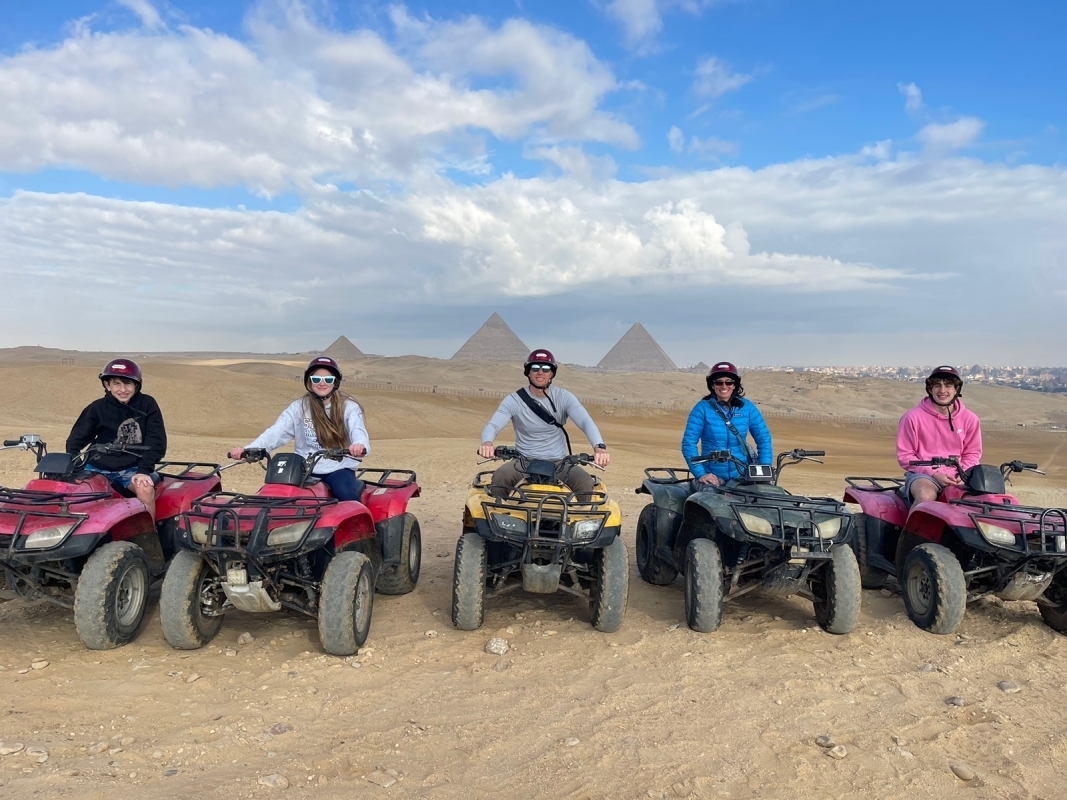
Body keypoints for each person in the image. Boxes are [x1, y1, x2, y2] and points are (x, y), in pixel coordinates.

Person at [230, 356, 370, 501]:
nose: (322, 383)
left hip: (338, 469)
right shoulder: (299, 407)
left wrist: (359, 445)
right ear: (309, 381)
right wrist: (249, 449)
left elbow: (357, 430)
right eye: (316, 379)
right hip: (304, 469)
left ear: (335, 382)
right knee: (276, 495)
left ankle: (363, 523)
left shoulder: (349, 407)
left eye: (328, 380)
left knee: (345, 494)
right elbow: (276, 432)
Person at [478, 349, 609, 496]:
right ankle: (500, 516)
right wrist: (487, 443)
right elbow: (493, 425)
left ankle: (583, 519)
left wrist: (599, 448)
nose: (540, 372)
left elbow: (585, 421)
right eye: (535, 368)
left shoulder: (564, 397)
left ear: (552, 373)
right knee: (500, 478)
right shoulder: (514, 400)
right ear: (528, 371)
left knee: (585, 482)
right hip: (523, 461)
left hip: (559, 463)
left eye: (546, 368)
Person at [66, 358, 167, 519]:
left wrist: (143, 470)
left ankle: (149, 536)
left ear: (136, 385)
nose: (122, 389)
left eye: (128, 383)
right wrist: (73, 460)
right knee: (73, 494)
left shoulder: (147, 404)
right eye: (116, 383)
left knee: (145, 489)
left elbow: (156, 441)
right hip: (97, 466)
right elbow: (76, 438)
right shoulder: (97, 407)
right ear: (107, 385)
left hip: (133, 467)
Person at [897, 365, 982, 505]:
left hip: (960, 476)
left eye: (948, 386)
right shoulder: (912, 418)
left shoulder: (970, 419)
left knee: (990, 500)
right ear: (930, 389)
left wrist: (964, 474)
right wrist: (933, 473)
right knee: (926, 496)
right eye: (937, 385)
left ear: (956, 389)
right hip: (923, 475)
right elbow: (905, 456)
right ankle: (913, 528)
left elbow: (973, 453)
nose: (942, 390)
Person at [681, 361, 772, 490]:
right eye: (719, 382)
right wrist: (701, 474)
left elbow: (764, 439)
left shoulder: (747, 408)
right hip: (713, 476)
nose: (724, 386)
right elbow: (688, 443)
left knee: (766, 498)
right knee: (710, 502)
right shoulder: (702, 408)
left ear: (735, 385)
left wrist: (764, 470)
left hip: (742, 474)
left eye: (729, 382)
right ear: (712, 385)